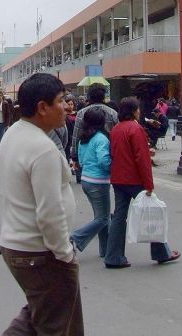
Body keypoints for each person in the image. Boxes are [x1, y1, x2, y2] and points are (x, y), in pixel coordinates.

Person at [0, 73, 82, 335]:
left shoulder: (14, 134)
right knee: (58, 326)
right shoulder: (42, 148)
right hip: (40, 253)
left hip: (18, 246)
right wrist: (65, 254)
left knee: (38, 316)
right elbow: (49, 212)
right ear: (42, 108)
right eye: (61, 101)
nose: (67, 107)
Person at [104, 97, 179, 270]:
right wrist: (149, 184)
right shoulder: (135, 129)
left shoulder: (116, 129)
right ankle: (161, 252)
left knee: (119, 217)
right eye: (137, 109)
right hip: (134, 178)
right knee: (152, 212)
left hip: (118, 177)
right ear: (134, 110)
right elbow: (141, 158)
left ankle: (113, 255)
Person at [70, 108, 111, 258]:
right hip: (98, 181)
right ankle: (75, 237)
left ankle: (105, 250)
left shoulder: (84, 138)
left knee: (101, 217)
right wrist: (114, 166)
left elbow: (80, 160)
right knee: (103, 218)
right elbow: (104, 160)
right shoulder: (101, 139)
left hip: (87, 179)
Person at [70, 84, 119, 178]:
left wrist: (74, 157)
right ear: (104, 96)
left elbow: (76, 136)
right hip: (108, 154)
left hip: (87, 156)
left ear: (89, 96)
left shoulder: (81, 113)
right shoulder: (113, 113)